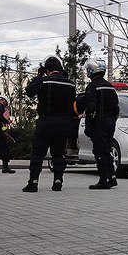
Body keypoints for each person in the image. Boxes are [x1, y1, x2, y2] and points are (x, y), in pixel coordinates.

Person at [22, 55, 76, 192]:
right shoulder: (70, 84)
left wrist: (38, 76)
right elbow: (72, 103)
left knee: (38, 153)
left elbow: (29, 91)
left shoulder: (43, 81)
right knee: (58, 153)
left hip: (46, 121)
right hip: (63, 123)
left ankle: (33, 182)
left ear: (47, 70)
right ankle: (58, 181)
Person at [75, 58, 119, 189]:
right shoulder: (110, 87)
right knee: (107, 148)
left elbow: (91, 106)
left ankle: (103, 180)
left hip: (99, 121)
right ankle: (112, 177)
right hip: (110, 121)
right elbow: (116, 108)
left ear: (91, 70)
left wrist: (89, 123)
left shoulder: (92, 87)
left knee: (99, 150)